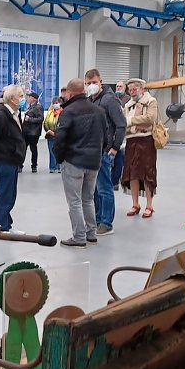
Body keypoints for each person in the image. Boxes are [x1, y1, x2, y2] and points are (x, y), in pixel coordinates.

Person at [53, 78, 107, 248]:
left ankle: (78, 237)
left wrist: (59, 158)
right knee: (88, 199)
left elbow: (60, 138)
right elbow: (105, 136)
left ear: (69, 93)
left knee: (74, 201)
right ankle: (91, 233)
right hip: (94, 161)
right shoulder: (99, 111)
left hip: (73, 161)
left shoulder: (68, 112)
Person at [84, 68, 126, 236]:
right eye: (88, 83)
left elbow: (121, 125)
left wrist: (115, 147)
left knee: (104, 188)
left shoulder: (110, 100)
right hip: (91, 151)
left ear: (101, 81)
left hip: (104, 151)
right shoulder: (91, 100)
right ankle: (97, 218)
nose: (91, 86)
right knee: (93, 189)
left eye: (94, 82)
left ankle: (106, 222)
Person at [0, 85, 26, 232]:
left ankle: (7, 224)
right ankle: (2, 227)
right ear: (12, 99)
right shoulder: (1, 115)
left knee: (10, 194)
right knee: (5, 194)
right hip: (5, 160)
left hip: (12, 159)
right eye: (20, 96)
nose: (23, 98)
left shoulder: (14, 113)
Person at [121, 78, 159, 219]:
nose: (132, 92)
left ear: (142, 89)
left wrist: (131, 122)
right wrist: (134, 125)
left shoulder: (151, 101)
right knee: (132, 173)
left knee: (147, 172)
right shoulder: (127, 105)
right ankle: (135, 204)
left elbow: (150, 119)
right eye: (130, 89)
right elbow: (123, 123)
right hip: (131, 141)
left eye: (135, 89)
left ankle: (149, 205)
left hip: (146, 140)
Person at [21, 91, 44, 172]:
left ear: (34, 99)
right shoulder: (30, 107)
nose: (28, 98)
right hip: (26, 131)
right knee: (23, 148)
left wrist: (29, 119)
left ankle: (34, 165)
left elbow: (40, 119)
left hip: (33, 132)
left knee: (33, 149)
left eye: (29, 97)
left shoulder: (38, 107)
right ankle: (20, 164)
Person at [112, 81, 127, 189]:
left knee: (119, 160)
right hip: (112, 133)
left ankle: (115, 181)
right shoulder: (112, 98)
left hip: (122, 134)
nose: (118, 88)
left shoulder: (128, 100)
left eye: (120, 86)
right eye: (117, 86)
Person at [43, 96, 63, 173]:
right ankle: (52, 167)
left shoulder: (63, 112)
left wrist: (57, 132)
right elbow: (45, 122)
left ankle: (58, 166)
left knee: (58, 151)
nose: (55, 104)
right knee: (51, 151)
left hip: (59, 135)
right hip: (50, 135)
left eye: (57, 103)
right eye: (54, 103)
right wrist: (48, 130)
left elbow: (63, 124)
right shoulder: (50, 112)